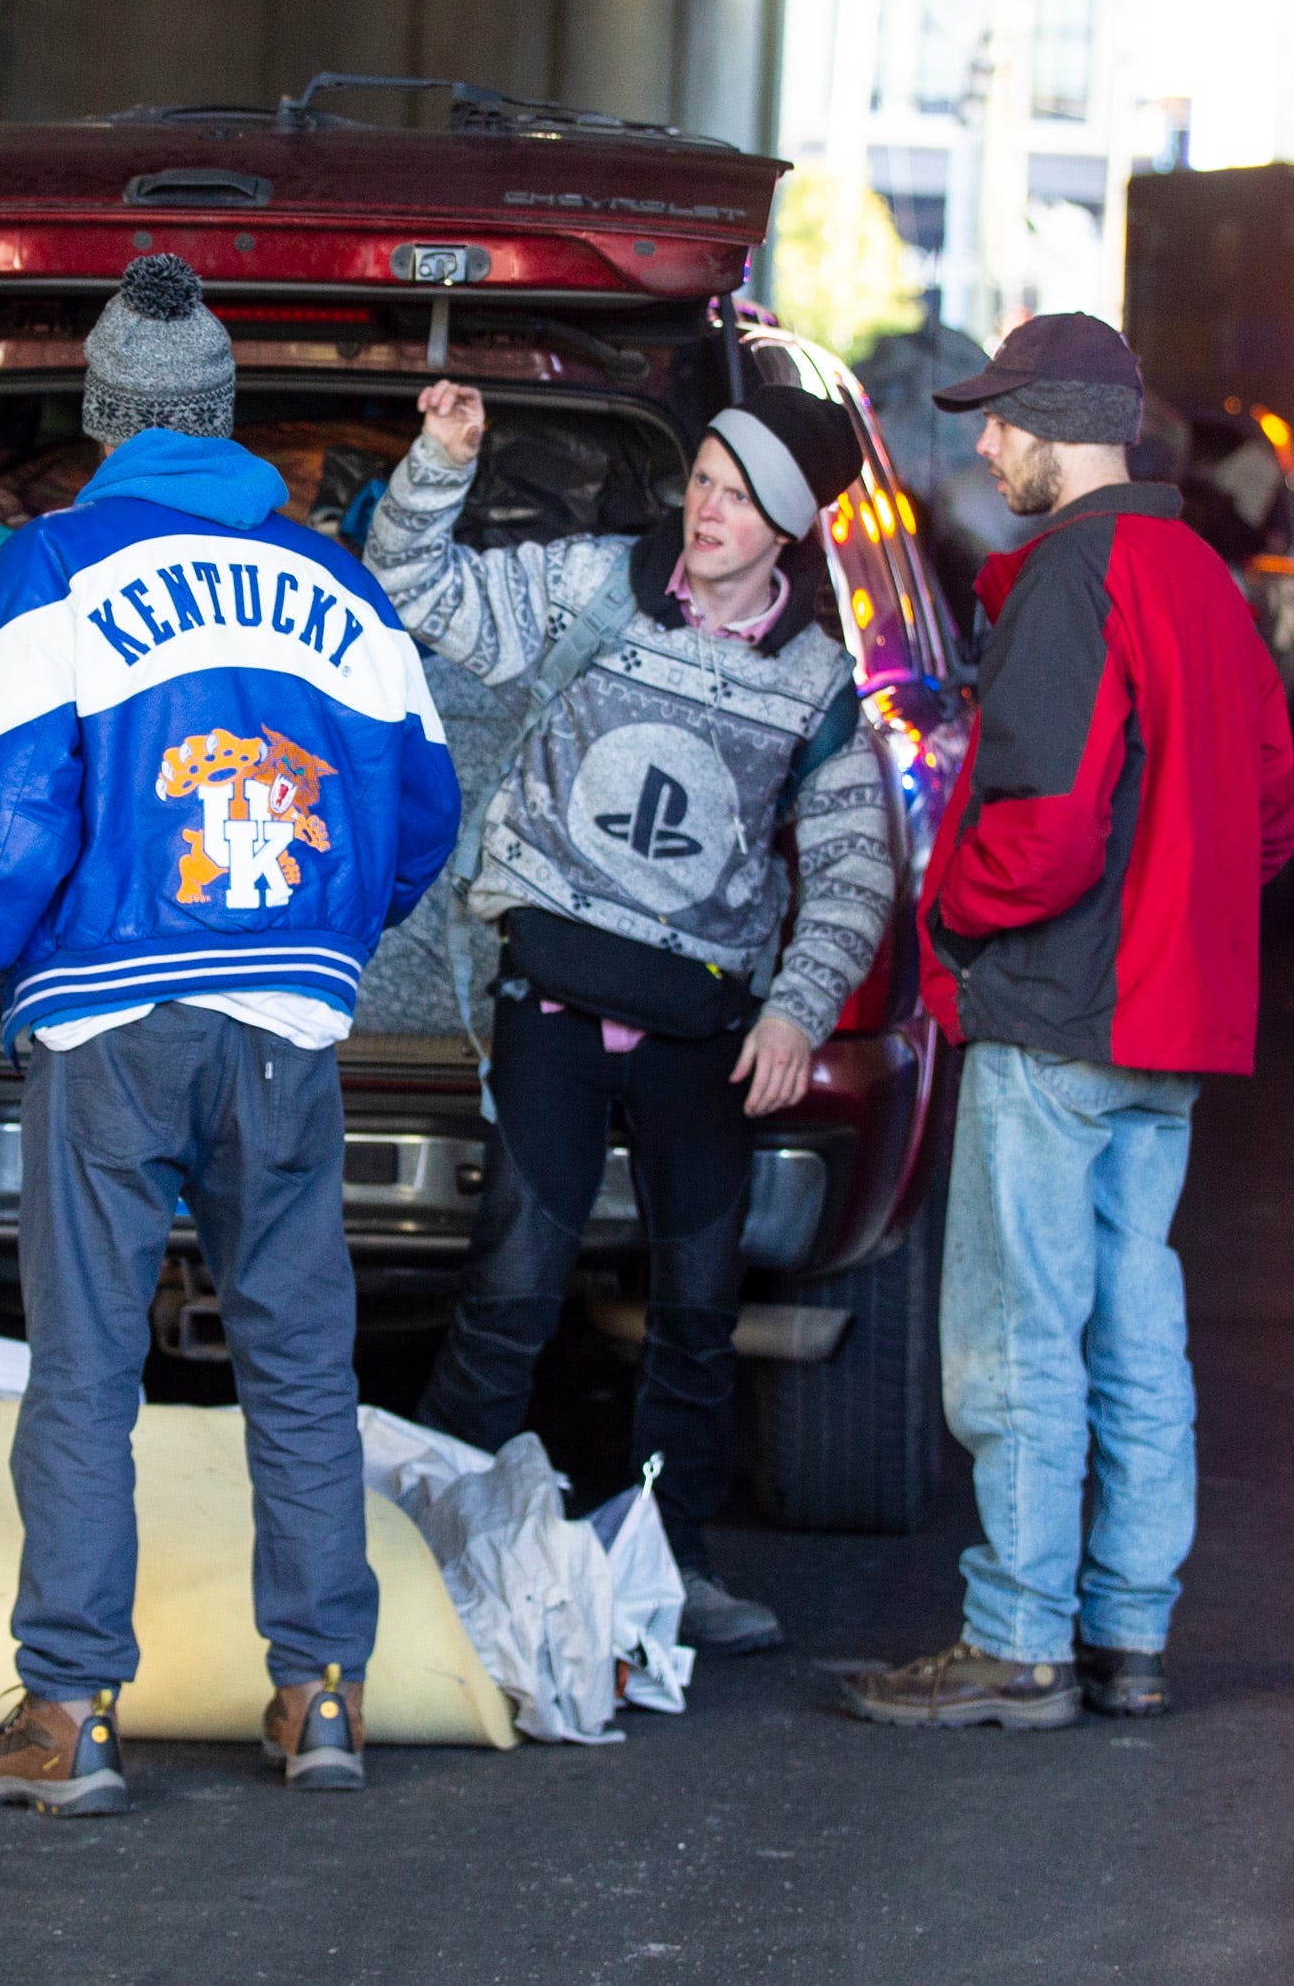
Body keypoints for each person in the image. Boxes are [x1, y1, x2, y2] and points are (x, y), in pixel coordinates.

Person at [0, 255, 459, 1814]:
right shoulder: (340, 583)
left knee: (86, 1359)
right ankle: (321, 1691)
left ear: (101, 414)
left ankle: (70, 1707)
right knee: (298, 1349)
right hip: (287, 1024)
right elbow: (422, 808)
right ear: (221, 416)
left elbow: (10, 823)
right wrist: (324, 938)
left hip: (110, 1014)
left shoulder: (49, 565)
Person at [368, 377, 895, 1657]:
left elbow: (854, 867)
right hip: (548, 998)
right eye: (703, 481)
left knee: (698, 1316)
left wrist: (796, 1012)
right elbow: (410, 589)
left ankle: (670, 1562)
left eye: (739, 496)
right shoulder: (592, 586)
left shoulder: (817, 683)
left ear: (788, 527)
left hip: (703, 1031)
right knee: (511, 1288)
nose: (706, 511)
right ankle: (427, 1550)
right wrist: (438, 464)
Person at [840, 314, 1294, 1732]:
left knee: (1018, 1329)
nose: (982, 445)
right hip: (1167, 1025)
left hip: (1055, 1013)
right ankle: (1127, 1637)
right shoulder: (1205, 578)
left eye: (999, 420)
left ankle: (1017, 1639)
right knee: (1136, 1328)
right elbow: (1270, 813)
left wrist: (954, 923)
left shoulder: (1071, 578)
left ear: (1062, 422)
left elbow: (1039, 829)